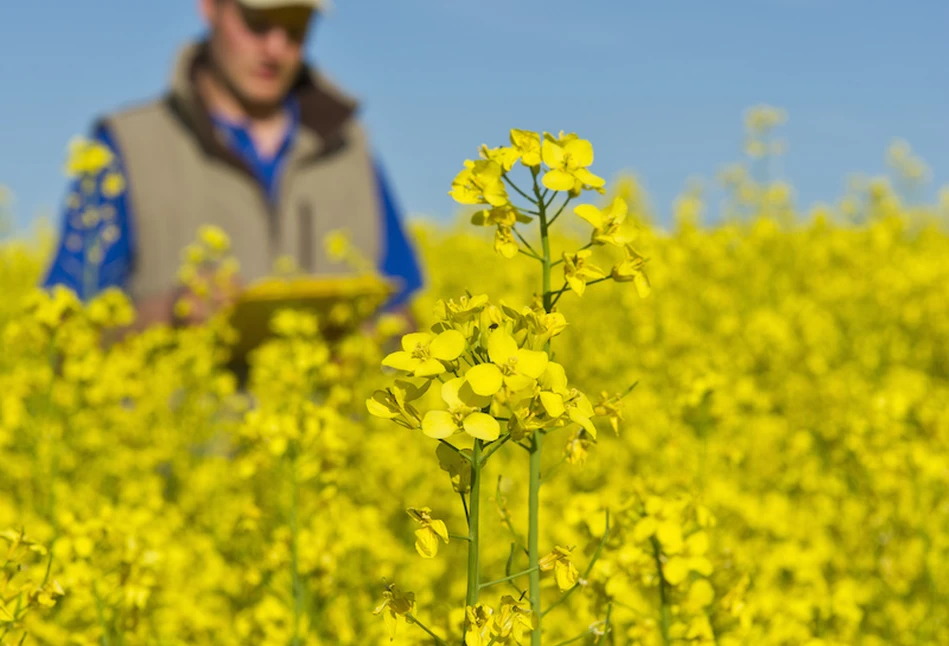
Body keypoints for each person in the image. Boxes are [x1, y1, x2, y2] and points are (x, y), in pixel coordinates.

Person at [40, 0, 424, 331]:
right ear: (209, 6)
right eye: (257, 23)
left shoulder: (348, 147)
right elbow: (63, 327)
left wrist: (370, 338)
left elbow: (403, 310)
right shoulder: (127, 145)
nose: (275, 49)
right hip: (188, 414)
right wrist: (169, 312)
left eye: (296, 28)